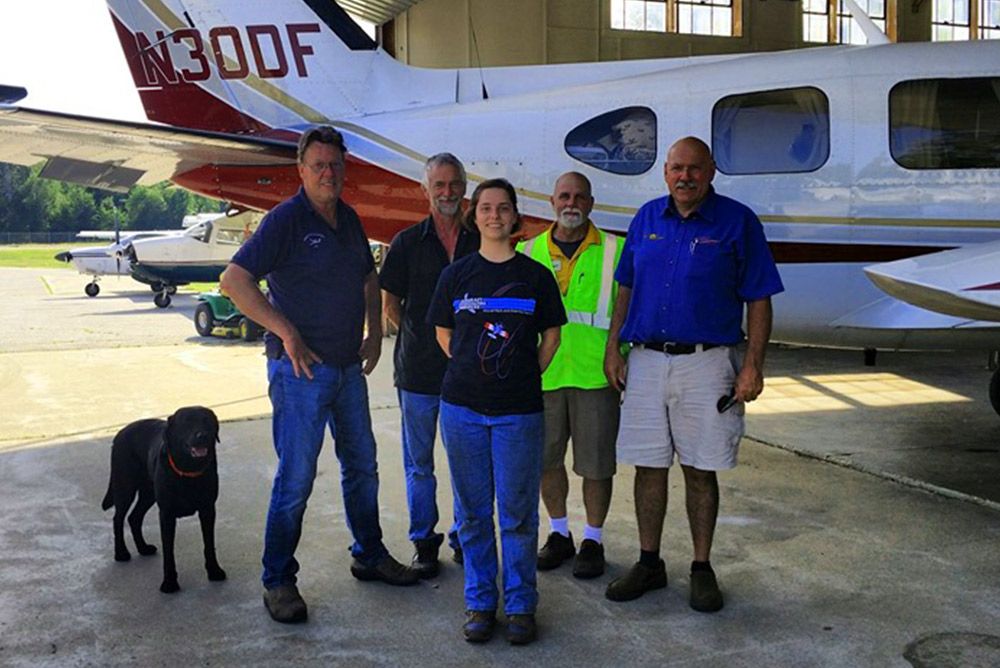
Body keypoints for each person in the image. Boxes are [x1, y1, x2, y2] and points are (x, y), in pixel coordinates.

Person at [220, 126, 418, 626]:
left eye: (335, 165)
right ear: (301, 170)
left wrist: (375, 332)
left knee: (363, 467)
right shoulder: (285, 220)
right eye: (319, 165)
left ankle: (368, 554)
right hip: (300, 371)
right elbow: (234, 280)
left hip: (348, 369)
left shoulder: (349, 219)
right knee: (296, 478)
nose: (328, 173)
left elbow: (369, 277)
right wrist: (286, 332)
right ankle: (278, 579)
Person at [602, 136, 784, 612]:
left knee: (701, 469)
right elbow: (625, 286)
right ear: (665, 172)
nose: (685, 176)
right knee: (648, 466)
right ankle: (649, 562)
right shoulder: (645, 218)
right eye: (677, 168)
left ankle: (701, 568)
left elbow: (759, 298)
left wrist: (753, 365)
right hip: (645, 359)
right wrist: (613, 348)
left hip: (707, 362)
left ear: (712, 172)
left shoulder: (738, 222)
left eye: (695, 169)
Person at [428, 178, 566, 645]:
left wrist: (523, 373)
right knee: (471, 514)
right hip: (463, 411)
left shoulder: (535, 276)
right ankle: (481, 602)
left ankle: (522, 605)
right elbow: (444, 334)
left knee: (518, 514)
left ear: (514, 217)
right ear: (475, 216)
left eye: (503, 208)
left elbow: (551, 338)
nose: (494, 215)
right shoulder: (457, 275)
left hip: (519, 414)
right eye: (485, 208)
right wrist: (474, 373)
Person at [516, 172, 624, 579]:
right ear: (551, 201)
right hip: (541, 375)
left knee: (596, 466)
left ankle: (593, 539)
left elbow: (625, 311)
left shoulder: (616, 250)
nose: (571, 203)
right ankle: (559, 533)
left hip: (596, 375)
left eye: (579, 196)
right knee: (546, 461)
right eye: (564, 195)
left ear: (592, 203)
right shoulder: (526, 252)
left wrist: (620, 354)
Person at [379, 153, 480, 577]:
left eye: (454, 184)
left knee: (465, 462)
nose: (447, 193)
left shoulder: (480, 241)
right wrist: (423, 336)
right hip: (418, 373)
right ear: (425, 191)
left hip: (467, 373)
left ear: (464, 188)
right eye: (438, 185)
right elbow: (390, 305)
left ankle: (463, 538)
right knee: (419, 463)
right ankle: (424, 542)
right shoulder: (405, 243)